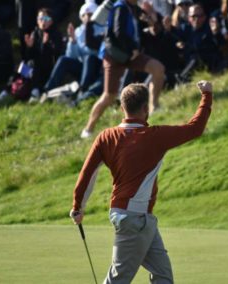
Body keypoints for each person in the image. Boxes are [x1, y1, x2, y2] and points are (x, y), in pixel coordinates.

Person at [70, 80, 213, 284]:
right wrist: (206, 94)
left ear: (122, 107)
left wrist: (78, 207)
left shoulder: (105, 137)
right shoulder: (155, 136)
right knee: (117, 280)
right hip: (135, 220)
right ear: (146, 108)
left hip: (139, 220)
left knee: (163, 276)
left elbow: (87, 174)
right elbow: (195, 128)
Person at [80, 0, 165, 139]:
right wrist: (133, 49)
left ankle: (154, 106)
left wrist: (152, 21)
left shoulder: (133, 8)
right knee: (109, 95)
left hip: (130, 54)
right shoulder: (120, 8)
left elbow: (145, 27)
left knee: (158, 69)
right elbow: (118, 33)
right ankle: (88, 129)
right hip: (114, 55)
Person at [40, 2, 105, 105]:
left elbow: (94, 52)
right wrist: (73, 41)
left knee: (89, 57)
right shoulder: (78, 31)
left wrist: (84, 42)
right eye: (84, 15)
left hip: (96, 66)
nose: (87, 17)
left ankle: (82, 90)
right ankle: (48, 90)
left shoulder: (102, 29)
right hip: (82, 67)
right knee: (63, 59)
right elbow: (71, 56)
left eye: (90, 14)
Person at [25, 8, 63, 103]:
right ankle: (10, 89)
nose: (42, 21)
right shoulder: (35, 33)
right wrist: (29, 47)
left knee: (33, 63)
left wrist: (46, 45)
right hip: (35, 69)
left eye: (45, 18)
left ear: (51, 21)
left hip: (49, 69)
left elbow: (56, 54)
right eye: (40, 18)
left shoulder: (56, 34)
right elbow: (30, 56)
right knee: (24, 66)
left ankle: (35, 92)